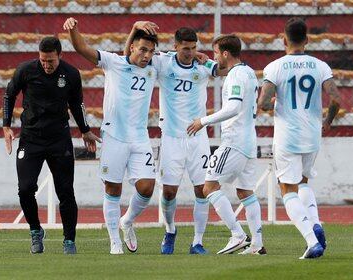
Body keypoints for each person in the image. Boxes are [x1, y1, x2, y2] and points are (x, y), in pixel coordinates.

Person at [124, 22, 224, 255]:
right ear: (175, 46)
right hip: (171, 138)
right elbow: (129, 55)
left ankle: (197, 242)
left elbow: (223, 69)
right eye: (185, 48)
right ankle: (170, 230)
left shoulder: (202, 66)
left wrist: (211, 60)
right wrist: (134, 30)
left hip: (198, 138)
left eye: (193, 48)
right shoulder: (163, 62)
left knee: (203, 190)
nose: (189, 53)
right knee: (169, 192)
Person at [63, 17, 159, 254]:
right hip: (114, 136)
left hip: (139, 138)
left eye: (151, 51)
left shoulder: (154, 68)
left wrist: (199, 58)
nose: (147, 55)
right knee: (112, 189)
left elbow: (182, 58)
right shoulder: (113, 62)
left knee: (147, 187)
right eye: (143, 49)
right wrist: (73, 30)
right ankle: (114, 240)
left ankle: (127, 221)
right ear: (133, 47)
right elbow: (81, 48)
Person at [3, 36, 100, 255]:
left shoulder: (71, 74)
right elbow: (9, 95)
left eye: (51, 62)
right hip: (31, 138)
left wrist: (85, 130)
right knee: (25, 189)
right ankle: (36, 230)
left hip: (59, 139)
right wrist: (6, 126)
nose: (47, 66)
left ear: (60, 56)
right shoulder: (25, 70)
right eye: (43, 61)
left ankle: (69, 240)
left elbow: (77, 104)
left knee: (65, 191)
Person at [258, 17, 340, 259]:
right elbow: (335, 98)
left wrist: (273, 104)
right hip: (312, 134)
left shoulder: (275, 67)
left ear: (284, 40)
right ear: (307, 40)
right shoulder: (320, 66)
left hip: (287, 136)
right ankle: (315, 222)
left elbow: (262, 103)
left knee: (287, 189)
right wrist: (328, 121)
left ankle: (311, 239)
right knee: (303, 182)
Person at [188, 34, 266, 255]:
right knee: (245, 192)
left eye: (215, 53)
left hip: (235, 140)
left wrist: (203, 121)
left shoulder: (234, 76)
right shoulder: (248, 72)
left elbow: (233, 108)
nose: (214, 56)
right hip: (249, 140)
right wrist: (209, 62)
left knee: (209, 187)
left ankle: (237, 235)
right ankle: (257, 244)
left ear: (225, 53)